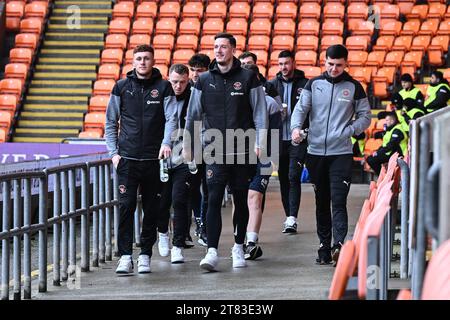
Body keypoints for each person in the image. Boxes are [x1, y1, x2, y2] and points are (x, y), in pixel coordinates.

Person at [183, 32, 268, 271]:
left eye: (223, 47)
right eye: (215, 47)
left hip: (242, 149)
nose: (218, 50)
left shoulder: (249, 78)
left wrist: (260, 142)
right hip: (214, 149)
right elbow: (193, 115)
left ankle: (238, 247)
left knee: (240, 200)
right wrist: (189, 144)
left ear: (233, 50)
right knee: (213, 199)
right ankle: (211, 251)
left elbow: (260, 112)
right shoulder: (204, 80)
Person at [291, 44, 371, 266]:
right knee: (321, 201)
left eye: (339, 65)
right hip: (315, 153)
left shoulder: (354, 87)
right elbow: (300, 110)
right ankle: (323, 246)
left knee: (338, 200)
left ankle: (339, 245)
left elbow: (365, 116)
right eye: (330, 64)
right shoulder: (313, 84)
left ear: (346, 64)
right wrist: (296, 129)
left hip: (341, 154)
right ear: (323, 62)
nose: (334, 68)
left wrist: (349, 130)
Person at [105, 44, 178, 274]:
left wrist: (166, 143)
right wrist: (113, 154)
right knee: (126, 207)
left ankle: (145, 253)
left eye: (147, 58)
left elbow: (171, 119)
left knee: (151, 209)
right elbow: (110, 122)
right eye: (139, 58)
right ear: (133, 61)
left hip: (154, 161)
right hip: (126, 159)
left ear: (153, 60)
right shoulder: (121, 87)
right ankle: (125, 256)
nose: (143, 62)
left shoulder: (164, 87)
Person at [156, 63, 197, 263]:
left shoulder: (194, 97)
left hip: (184, 155)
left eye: (182, 82)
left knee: (180, 200)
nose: (178, 86)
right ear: (168, 79)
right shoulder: (160, 96)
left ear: (188, 80)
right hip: (161, 156)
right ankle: (163, 233)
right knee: (162, 202)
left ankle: (178, 244)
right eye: (174, 82)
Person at [241, 63, 282, 260]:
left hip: (262, 157)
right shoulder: (234, 101)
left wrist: (272, 158)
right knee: (240, 201)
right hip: (237, 156)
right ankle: (238, 239)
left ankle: (251, 242)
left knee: (254, 197)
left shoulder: (270, 104)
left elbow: (275, 133)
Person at [268, 50, 309, 234]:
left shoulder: (306, 84)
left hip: (298, 139)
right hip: (279, 139)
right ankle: (289, 217)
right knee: (284, 178)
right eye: (280, 64)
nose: (283, 67)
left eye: (286, 63)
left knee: (294, 176)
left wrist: (304, 130)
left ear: (293, 63)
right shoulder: (272, 85)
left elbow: (312, 111)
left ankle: (293, 217)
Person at [186, 53, 211, 247]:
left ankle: (203, 224)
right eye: (192, 70)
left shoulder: (211, 88)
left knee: (208, 187)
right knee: (192, 187)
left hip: (210, 144)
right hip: (188, 144)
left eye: (199, 71)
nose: (195, 74)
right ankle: (197, 221)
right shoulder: (183, 89)